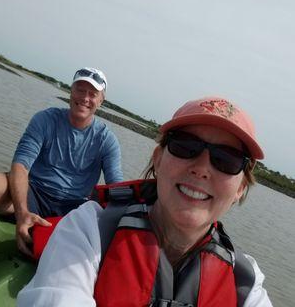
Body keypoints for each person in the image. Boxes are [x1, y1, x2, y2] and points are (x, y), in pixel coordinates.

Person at [16, 96, 273, 306]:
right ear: (158, 159)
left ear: (241, 187)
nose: (202, 168)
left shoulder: (246, 283)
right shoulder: (90, 228)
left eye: (226, 159)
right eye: (186, 146)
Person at [0, 67, 123, 257]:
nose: (85, 98)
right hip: (34, 192)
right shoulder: (45, 119)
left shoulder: (107, 140)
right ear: (70, 91)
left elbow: (117, 187)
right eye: (80, 89)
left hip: (73, 208)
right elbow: (21, 164)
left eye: (92, 94)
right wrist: (22, 212)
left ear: (101, 101)